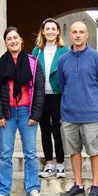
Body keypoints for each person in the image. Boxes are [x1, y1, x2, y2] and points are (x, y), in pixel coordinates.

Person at [0, 27, 45, 196]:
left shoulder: (33, 62)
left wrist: (35, 114)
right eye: (9, 39)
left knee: (30, 153)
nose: (12, 41)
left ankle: (33, 189)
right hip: (7, 114)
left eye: (15, 37)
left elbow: (39, 90)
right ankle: (3, 190)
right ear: (5, 42)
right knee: (5, 154)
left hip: (26, 113)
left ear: (21, 40)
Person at [58, 21, 98, 196]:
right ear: (70, 35)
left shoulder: (97, 58)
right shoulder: (63, 59)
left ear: (87, 35)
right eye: (74, 32)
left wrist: (97, 106)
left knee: (94, 151)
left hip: (91, 115)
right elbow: (62, 85)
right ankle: (78, 185)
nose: (78, 35)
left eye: (81, 32)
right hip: (69, 115)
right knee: (74, 152)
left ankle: (96, 186)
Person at [31, 18, 69, 179]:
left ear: (58, 31)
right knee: (44, 129)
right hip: (41, 96)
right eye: (47, 29)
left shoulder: (65, 50)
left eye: (54, 29)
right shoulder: (36, 51)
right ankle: (49, 163)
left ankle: (60, 163)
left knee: (58, 129)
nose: (51, 31)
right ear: (43, 32)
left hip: (58, 95)